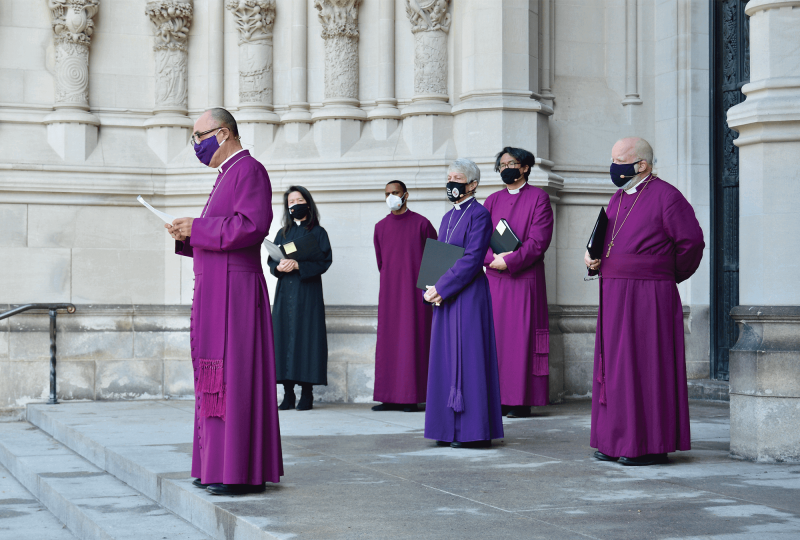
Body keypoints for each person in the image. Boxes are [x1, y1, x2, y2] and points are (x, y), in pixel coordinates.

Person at [167, 107, 283, 496]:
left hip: (236, 292)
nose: (195, 145)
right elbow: (220, 231)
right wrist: (186, 234)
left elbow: (251, 227)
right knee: (213, 376)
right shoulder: (224, 176)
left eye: (199, 136)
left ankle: (238, 471)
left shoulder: (249, 170)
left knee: (233, 375)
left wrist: (196, 227)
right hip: (217, 288)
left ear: (223, 133)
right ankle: (215, 464)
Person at [585, 137, 704, 466]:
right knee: (615, 368)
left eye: (619, 160)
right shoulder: (617, 198)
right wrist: (592, 259)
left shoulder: (668, 196)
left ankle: (648, 445)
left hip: (649, 296)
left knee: (645, 367)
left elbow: (691, 243)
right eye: (612, 159)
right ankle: (613, 440)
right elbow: (606, 242)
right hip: (613, 293)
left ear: (642, 165)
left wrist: (664, 276)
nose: (613, 167)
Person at [423, 158, 504, 448]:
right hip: (445, 296)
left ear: (472, 184)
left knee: (469, 358)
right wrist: (430, 287)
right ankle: (446, 429)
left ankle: (473, 431)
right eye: (448, 177)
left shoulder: (480, 215)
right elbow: (440, 257)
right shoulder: (446, 218)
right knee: (446, 359)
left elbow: (472, 259)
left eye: (456, 178)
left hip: (468, 295)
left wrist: (442, 287)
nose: (451, 183)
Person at [484, 147, 553, 418]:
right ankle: (497, 398)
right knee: (496, 340)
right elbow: (479, 238)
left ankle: (521, 400)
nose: (505, 169)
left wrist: (510, 261)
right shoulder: (491, 200)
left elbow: (539, 241)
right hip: (494, 281)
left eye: (511, 164)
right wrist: (491, 259)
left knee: (520, 341)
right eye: (501, 165)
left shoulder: (539, 198)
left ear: (525, 167)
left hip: (524, 279)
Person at [372, 181, 438, 412]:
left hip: (416, 293)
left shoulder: (422, 224)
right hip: (390, 293)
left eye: (395, 193)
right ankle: (388, 396)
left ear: (406, 195)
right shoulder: (380, 227)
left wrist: (430, 291)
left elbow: (434, 259)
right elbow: (382, 262)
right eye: (387, 194)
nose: (391, 197)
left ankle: (412, 396)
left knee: (413, 341)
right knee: (389, 342)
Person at [268, 186, 332, 412]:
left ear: (308, 203)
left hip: (308, 294)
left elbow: (324, 261)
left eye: (299, 199)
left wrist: (298, 265)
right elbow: (271, 261)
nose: (295, 204)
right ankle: (287, 394)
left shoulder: (318, 232)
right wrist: (280, 266)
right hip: (285, 293)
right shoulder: (282, 233)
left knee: (307, 339)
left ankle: (307, 393)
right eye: (291, 201)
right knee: (283, 339)